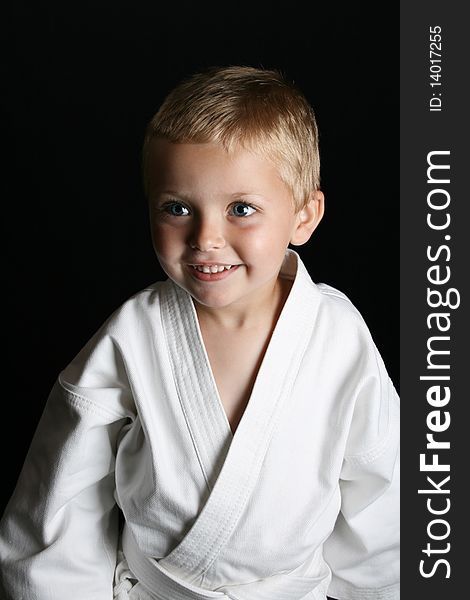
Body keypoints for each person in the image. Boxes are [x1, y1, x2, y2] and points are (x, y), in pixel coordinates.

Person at [0, 66, 399, 600]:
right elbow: (64, 495)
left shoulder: (337, 337)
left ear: (303, 217)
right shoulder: (133, 334)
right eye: (177, 208)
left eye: (241, 209)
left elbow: (382, 496)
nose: (206, 237)